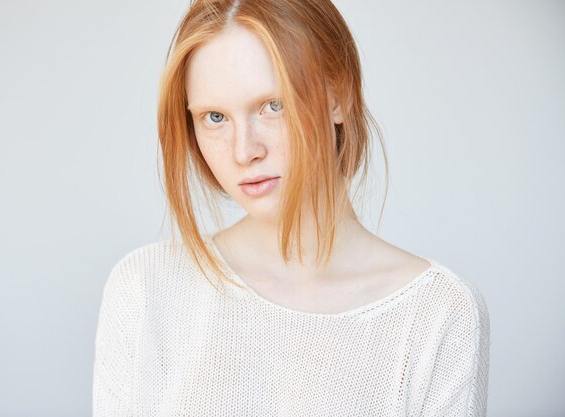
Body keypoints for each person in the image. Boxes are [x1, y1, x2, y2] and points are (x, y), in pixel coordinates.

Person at [92, 0, 491, 415]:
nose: (244, 151)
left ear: (339, 95)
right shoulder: (147, 289)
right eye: (214, 117)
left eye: (272, 106)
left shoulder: (437, 313)